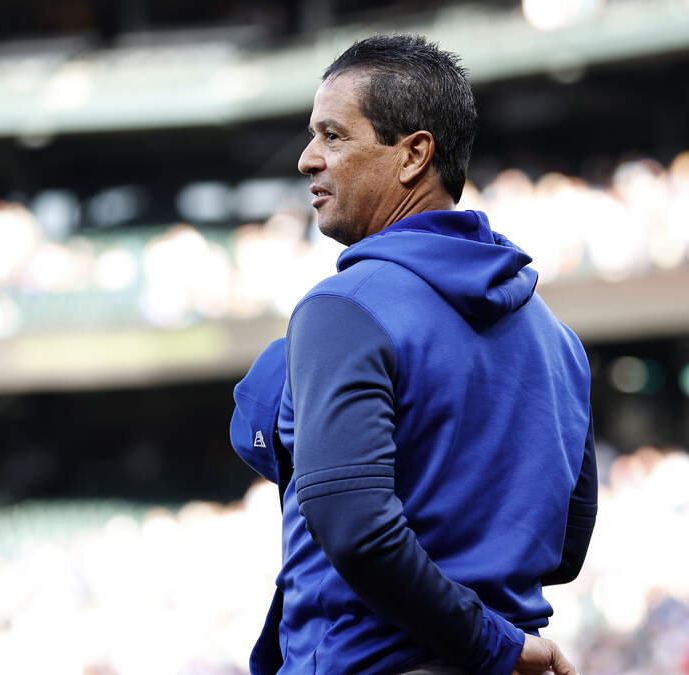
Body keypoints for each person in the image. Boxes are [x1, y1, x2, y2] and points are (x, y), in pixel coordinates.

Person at [231, 34, 597, 675]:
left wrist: (493, 645)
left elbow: (356, 530)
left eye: (333, 136)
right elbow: (563, 550)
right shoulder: (558, 338)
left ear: (413, 155)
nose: (308, 159)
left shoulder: (345, 307)